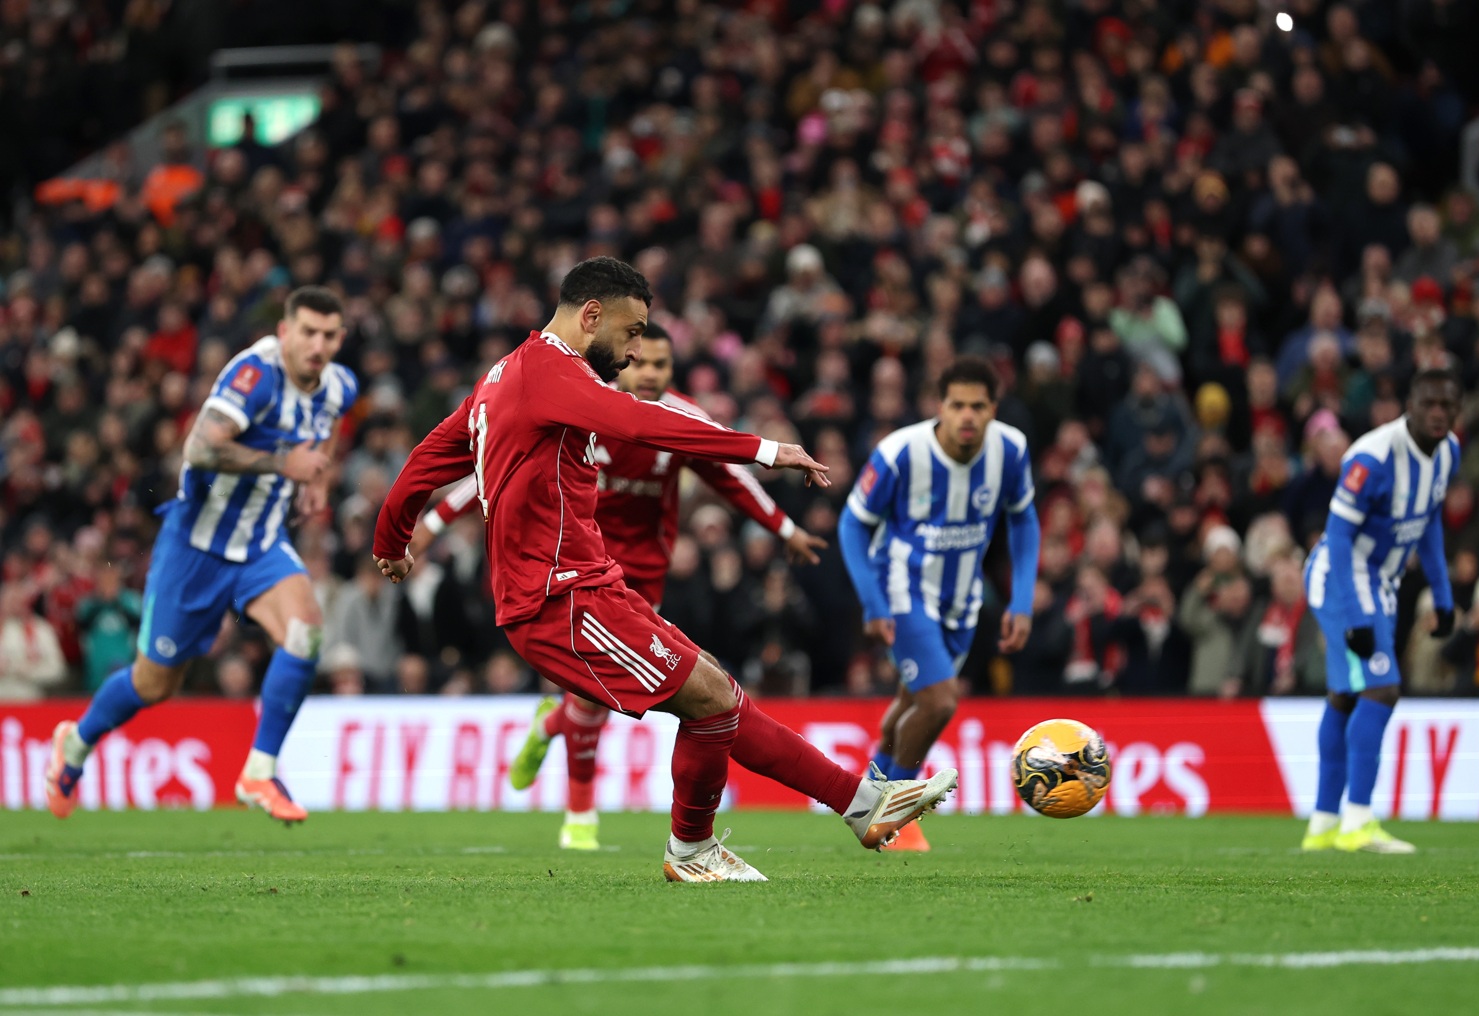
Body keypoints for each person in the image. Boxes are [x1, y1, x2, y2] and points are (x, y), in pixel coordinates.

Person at [372, 257, 954, 882]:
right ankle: (693, 850)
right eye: (630, 333)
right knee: (708, 701)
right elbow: (638, 422)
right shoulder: (550, 372)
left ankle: (861, 805)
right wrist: (763, 449)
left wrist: (392, 538)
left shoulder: (503, 375)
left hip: (591, 585)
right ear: (590, 315)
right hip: (557, 598)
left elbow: (429, 457)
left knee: (718, 690)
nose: (632, 354)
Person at [412, 321, 828, 851]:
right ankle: (581, 815)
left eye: (662, 365)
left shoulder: (680, 418)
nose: (650, 373)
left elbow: (729, 476)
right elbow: (491, 471)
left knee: (614, 700)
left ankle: (550, 728)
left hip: (640, 578)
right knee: (600, 699)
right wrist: (429, 526)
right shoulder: (580, 404)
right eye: (643, 362)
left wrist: (785, 529)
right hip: (580, 574)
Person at [45, 287, 357, 823]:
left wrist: (318, 479)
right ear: (284, 331)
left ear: (340, 338)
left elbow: (323, 436)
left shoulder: (339, 387)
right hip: (196, 549)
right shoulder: (255, 376)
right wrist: (285, 465)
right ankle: (75, 743)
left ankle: (258, 772)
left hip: (260, 543)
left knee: (305, 631)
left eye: (329, 335)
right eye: (307, 331)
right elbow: (200, 447)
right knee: (154, 684)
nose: (317, 345)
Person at [838, 357, 1040, 852]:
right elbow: (851, 524)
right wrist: (873, 603)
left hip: (962, 602)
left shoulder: (1010, 450)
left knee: (912, 704)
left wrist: (1023, 598)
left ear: (993, 408)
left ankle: (865, 803)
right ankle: (894, 815)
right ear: (939, 407)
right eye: (957, 405)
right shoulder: (901, 452)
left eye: (978, 405)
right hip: (903, 589)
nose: (967, 416)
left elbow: (1024, 520)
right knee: (939, 700)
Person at [1300, 369, 1461, 854]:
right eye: (1429, 402)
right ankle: (1358, 822)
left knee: (1346, 697)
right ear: (1409, 402)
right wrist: (1353, 619)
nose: (1438, 413)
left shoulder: (1449, 451)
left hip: (1382, 580)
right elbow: (1340, 536)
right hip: (1342, 575)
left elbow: (1428, 525)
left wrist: (1444, 594)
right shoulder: (1371, 458)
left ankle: (1324, 824)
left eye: (1447, 404)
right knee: (1382, 686)